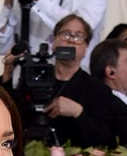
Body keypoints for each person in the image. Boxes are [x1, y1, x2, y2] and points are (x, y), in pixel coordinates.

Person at [0, 0, 107, 73]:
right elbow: (1, 47)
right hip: (27, 80)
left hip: (70, 82)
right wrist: (9, 0)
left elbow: (78, 29)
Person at [39, 15, 114, 146]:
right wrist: (8, 73)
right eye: (66, 34)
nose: (71, 41)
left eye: (78, 36)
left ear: (86, 48)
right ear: (54, 42)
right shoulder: (37, 76)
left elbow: (105, 139)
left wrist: (78, 112)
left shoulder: (98, 89)